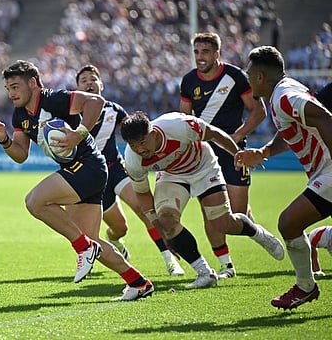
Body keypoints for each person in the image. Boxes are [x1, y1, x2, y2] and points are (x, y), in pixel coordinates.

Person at [0, 60, 153, 301]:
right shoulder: (19, 115)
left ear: (32, 83)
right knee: (93, 240)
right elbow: (20, 155)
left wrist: (79, 134)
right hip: (83, 171)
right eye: (8, 89)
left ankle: (83, 247)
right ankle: (138, 283)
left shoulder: (54, 99)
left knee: (34, 201)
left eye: (15, 87)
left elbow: (96, 102)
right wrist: (4, 140)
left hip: (88, 167)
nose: (11, 93)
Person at [120, 111, 284, 289]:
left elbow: (213, 133)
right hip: (172, 176)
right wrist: (161, 231)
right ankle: (205, 273)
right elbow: (143, 195)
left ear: (152, 133)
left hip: (203, 167)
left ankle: (258, 233)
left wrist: (238, 153)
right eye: (133, 145)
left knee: (223, 224)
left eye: (142, 143)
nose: (140, 150)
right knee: (166, 222)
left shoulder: (178, 125)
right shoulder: (132, 159)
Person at [236, 45, 332, 310]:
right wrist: (264, 152)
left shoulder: (284, 96)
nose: (246, 77)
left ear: (260, 78)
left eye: (249, 73)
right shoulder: (282, 94)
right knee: (290, 223)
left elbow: (323, 115)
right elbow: (292, 130)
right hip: (321, 173)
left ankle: (305, 286)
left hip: (329, 171)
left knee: (288, 223)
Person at [74, 64, 184, 276]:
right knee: (120, 228)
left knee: (145, 211)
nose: (89, 82)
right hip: (94, 179)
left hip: (117, 170)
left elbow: (136, 132)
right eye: (84, 80)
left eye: (93, 79)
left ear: (101, 85)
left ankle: (170, 260)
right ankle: (116, 241)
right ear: (77, 87)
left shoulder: (113, 110)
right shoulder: (72, 114)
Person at [180, 32, 267, 279]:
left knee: (236, 215)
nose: (200, 57)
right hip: (204, 154)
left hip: (234, 152)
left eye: (205, 52)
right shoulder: (188, 81)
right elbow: (185, 117)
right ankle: (226, 265)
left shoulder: (236, 77)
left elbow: (258, 111)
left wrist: (237, 137)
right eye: (196, 52)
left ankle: (255, 230)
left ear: (217, 54)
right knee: (213, 211)